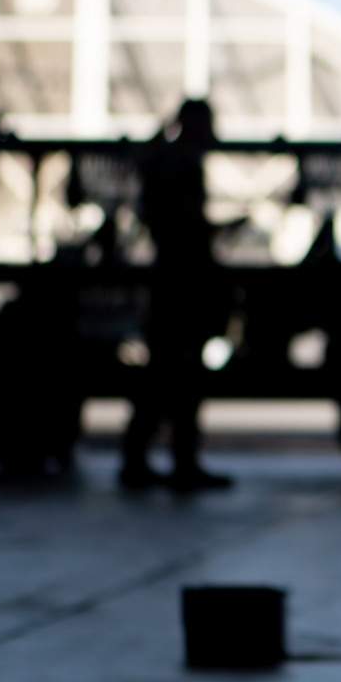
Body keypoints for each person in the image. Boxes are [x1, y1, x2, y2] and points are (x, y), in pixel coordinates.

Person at [120, 98, 234, 492]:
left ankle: (139, 459)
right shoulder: (183, 167)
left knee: (160, 376)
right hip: (183, 285)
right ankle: (180, 463)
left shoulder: (161, 163)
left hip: (168, 282)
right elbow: (188, 223)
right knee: (181, 378)